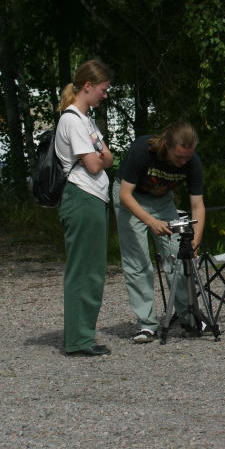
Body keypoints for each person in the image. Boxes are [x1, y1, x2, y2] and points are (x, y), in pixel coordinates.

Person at [113, 121, 205, 343]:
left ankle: (189, 318)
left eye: (187, 158)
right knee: (138, 261)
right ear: (167, 146)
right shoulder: (143, 150)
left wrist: (196, 239)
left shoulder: (192, 162)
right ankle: (147, 325)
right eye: (179, 157)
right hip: (131, 199)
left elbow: (197, 205)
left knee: (178, 256)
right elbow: (125, 195)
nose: (183, 162)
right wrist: (150, 221)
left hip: (163, 202)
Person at [55, 59, 114, 356]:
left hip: (93, 198)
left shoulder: (86, 119)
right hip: (81, 197)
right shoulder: (72, 120)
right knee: (83, 270)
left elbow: (109, 158)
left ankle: (83, 336)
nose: (105, 94)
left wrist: (101, 156)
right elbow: (94, 164)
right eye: (103, 88)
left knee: (93, 270)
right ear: (88, 86)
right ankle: (78, 340)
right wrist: (100, 155)